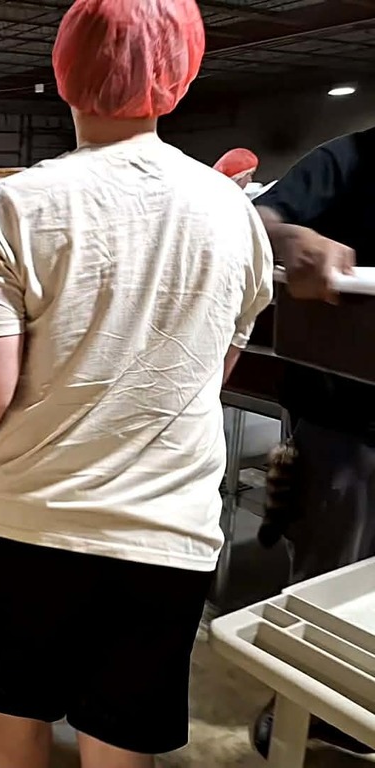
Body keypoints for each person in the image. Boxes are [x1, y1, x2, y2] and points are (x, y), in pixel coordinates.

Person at [0, 0, 273, 766]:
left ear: (64, 76)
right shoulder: (235, 214)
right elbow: (208, 376)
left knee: (14, 708)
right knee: (120, 736)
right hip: (165, 529)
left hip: (28, 521)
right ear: (180, 79)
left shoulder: (8, 207)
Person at [249, 126, 375, 757]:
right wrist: (289, 237)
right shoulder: (348, 160)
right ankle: (305, 710)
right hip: (343, 413)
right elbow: (257, 217)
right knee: (330, 574)